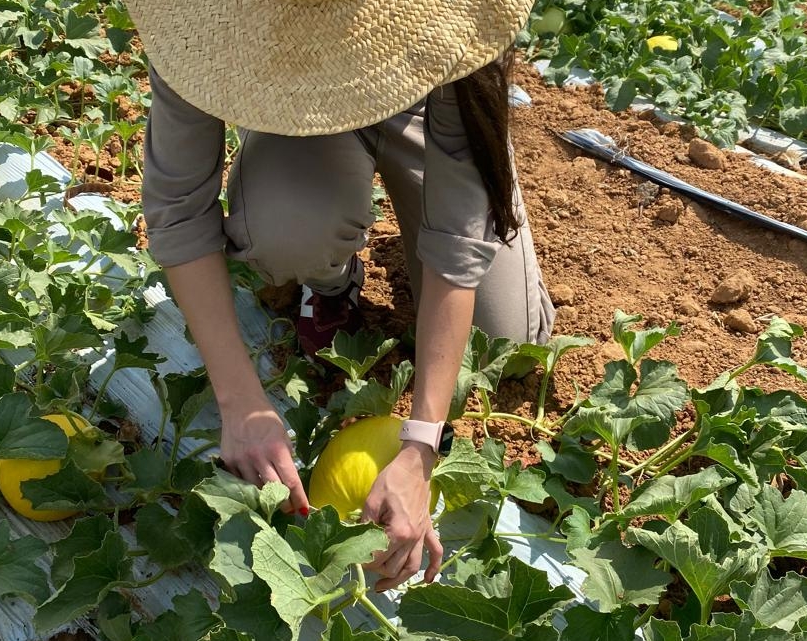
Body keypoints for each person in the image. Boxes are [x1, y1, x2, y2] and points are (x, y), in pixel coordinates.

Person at [125, 0, 554, 591]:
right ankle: (329, 280)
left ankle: (403, 220)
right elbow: (177, 209)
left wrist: (423, 443)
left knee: (502, 343)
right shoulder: (201, 23)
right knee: (288, 228)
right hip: (294, 109)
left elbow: (458, 234)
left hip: (424, 103)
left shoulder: (452, 19)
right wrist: (241, 403)